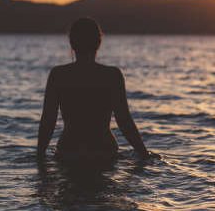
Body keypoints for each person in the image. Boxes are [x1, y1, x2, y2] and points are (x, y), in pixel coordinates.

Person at [36, 17, 152, 164]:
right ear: (99, 42)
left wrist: (39, 157)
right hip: (103, 151)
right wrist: (143, 154)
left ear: (72, 43)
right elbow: (124, 120)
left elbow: (48, 120)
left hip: (69, 151)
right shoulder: (112, 75)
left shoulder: (58, 75)